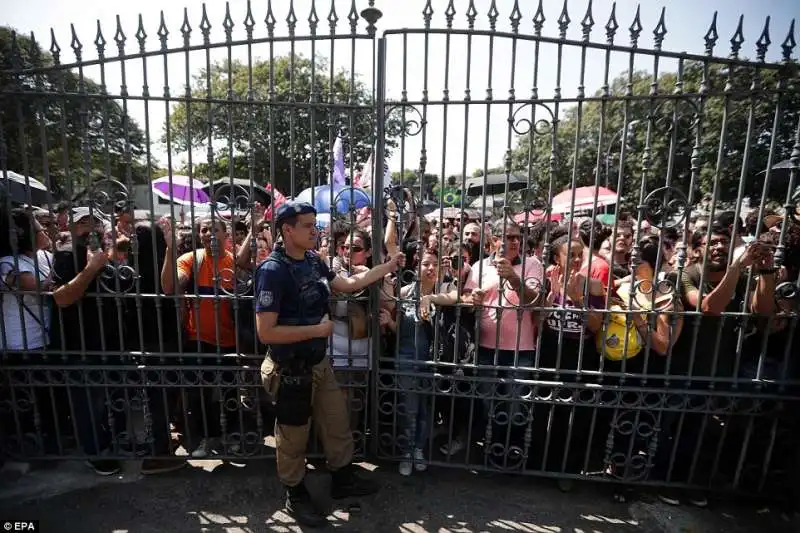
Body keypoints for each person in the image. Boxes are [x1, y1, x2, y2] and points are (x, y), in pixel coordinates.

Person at [255, 201, 404, 527]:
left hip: (319, 364)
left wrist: (387, 267)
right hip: (290, 369)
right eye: (308, 226)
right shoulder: (272, 270)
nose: (315, 230)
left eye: (314, 224)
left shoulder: (312, 261)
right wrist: (317, 330)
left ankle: (343, 479)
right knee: (293, 438)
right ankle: (295, 493)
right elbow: (266, 331)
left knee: (337, 426)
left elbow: (347, 285)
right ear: (287, 230)